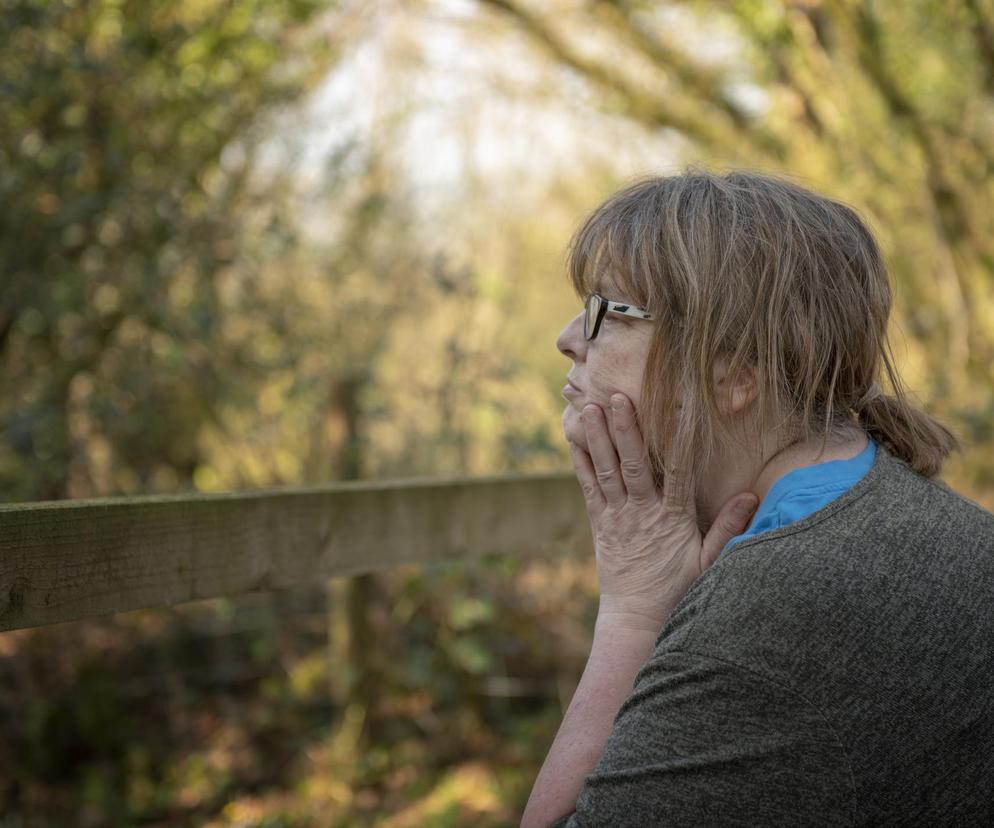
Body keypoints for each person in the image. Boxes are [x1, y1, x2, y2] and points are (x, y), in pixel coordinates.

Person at [523, 169, 994, 827]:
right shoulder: (901, 505)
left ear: (731, 376)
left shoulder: (770, 616)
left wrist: (633, 613)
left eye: (610, 310)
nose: (569, 337)